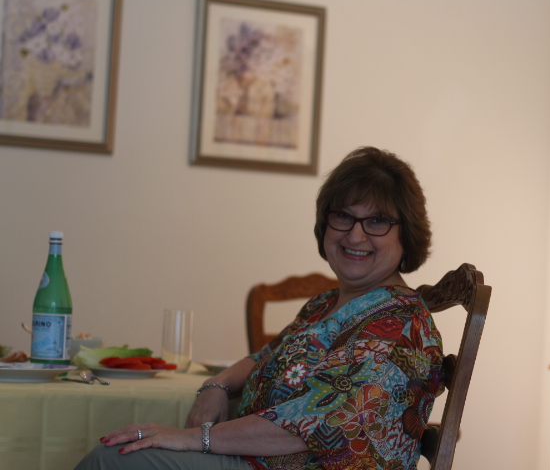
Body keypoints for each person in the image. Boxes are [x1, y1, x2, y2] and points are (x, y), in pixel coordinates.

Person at [75, 146, 443, 470]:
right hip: (256, 458)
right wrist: (216, 385)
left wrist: (193, 438)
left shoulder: (399, 326)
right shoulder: (324, 304)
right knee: (122, 450)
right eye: (343, 216)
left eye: (377, 221)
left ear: (406, 234)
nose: (355, 234)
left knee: (113, 461)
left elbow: (309, 425)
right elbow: (263, 358)